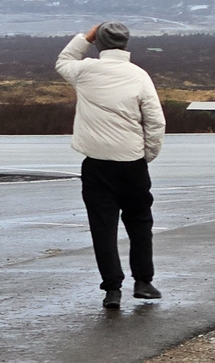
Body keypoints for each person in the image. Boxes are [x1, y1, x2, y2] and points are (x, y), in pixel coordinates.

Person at [55, 21, 166, 309]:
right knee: (140, 223)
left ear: (99, 43)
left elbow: (63, 61)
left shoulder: (86, 71)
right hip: (132, 163)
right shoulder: (139, 76)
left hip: (96, 164)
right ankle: (143, 282)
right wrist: (146, 155)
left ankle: (112, 289)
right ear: (126, 44)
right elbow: (155, 121)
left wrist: (85, 37)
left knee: (103, 227)